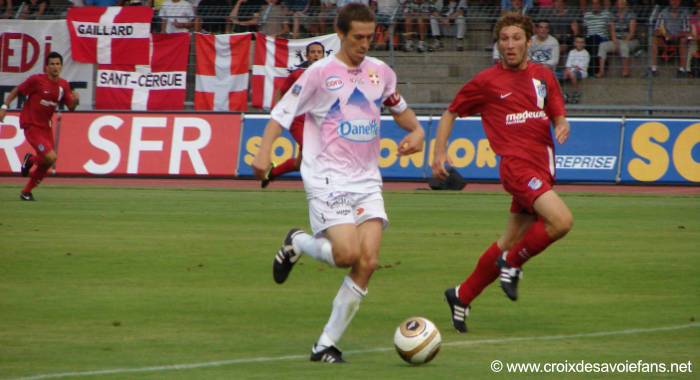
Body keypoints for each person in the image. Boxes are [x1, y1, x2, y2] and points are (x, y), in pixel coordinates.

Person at [251, 3, 425, 362]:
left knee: (369, 261)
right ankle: (298, 241)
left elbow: (403, 113)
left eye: (370, 36)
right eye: (358, 37)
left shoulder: (381, 73)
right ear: (341, 34)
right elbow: (280, 115)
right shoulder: (319, 74)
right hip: (327, 178)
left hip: (367, 180)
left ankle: (325, 344)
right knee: (347, 255)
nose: (365, 44)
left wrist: (418, 132)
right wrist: (263, 151)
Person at [432, 12, 573, 333]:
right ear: (498, 44)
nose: (510, 45)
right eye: (504, 39)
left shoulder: (543, 77)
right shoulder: (487, 82)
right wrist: (439, 153)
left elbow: (558, 114)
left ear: (528, 41)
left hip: (542, 168)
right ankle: (512, 263)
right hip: (516, 167)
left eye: (516, 38)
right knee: (561, 221)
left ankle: (461, 295)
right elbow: (450, 113)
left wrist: (562, 124)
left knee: (510, 238)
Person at [0, 52, 80, 201]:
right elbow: (18, 90)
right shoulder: (37, 81)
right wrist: (4, 106)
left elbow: (71, 107)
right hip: (31, 124)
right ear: (47, 67)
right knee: (51, 157)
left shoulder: (63, 85)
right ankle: (28, 174)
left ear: (61, 66)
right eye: (52, 64)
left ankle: (27, 186)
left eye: (58, 64)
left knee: (48, 161)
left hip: (46, 127)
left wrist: (75, 101)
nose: (55, 67)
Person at [260, 41, 325, 188]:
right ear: (307, 56)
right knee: (311, 148)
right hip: (299, 121)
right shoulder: (297, 75)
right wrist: (279, 114)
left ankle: (272, 172)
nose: (316, 54)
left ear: (323, 55)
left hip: (318, 122)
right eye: (313, 52)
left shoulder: (330, 77)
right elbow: (281, 92)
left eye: (319, 52)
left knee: (298, 163)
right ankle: (322, 187)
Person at [596, 0, 638, 77]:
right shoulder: (613, 14)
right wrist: (616, 42)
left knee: (623, 46)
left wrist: (622, 42)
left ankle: (625, 70)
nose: (621, 3)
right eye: (619, 1)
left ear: (626, 3)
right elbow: (612, 32)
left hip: (629, 41)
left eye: (623, 1)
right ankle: (601, 71)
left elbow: (631, 33)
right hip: (617, 41)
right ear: (616, 3)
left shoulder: (631, 14)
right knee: (603, 45)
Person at [649, 0, 691, 77]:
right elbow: (657, 29)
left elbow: (687, 31)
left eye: (676, 0)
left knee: (684, 40)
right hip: (665, 38)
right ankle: (653, 69)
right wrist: (663, 34)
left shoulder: (685, 13)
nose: (674, 2)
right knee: (654, 39)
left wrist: (674, 36)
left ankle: (682, 69)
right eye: (672, 0)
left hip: (678, 38)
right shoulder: (663, 12)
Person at [582, 0, 612, 75]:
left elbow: (610, 28)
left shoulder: (606, 14)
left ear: (600, 4)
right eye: (593, 3)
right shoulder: (587, 15)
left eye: (597, 3)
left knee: (595, 42)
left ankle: (595, 70)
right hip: (590, 37)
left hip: (602, 37)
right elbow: (585, 29)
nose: (595, 5)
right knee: (589, 42)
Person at [561, 35, 590, 103]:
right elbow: (568, 64)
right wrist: (566, 71)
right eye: (578, 42)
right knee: (554, 75)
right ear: (574, 43)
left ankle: (576, 92)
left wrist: (569, 72)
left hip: (580, 72)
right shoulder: (572, 52)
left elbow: (579, 67)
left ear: (584, 44)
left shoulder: (585, 53)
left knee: (572, 74)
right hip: (570, 71)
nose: (579, 44)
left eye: (581, 42)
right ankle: (562, 93)